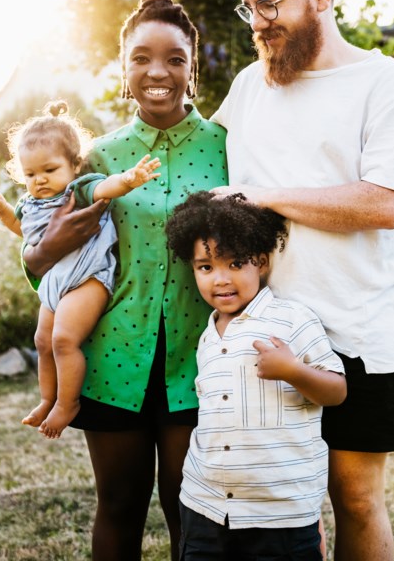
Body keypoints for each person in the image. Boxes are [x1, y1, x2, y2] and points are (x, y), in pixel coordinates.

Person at [211, 0, 394, 560]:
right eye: (248, 6)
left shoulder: (385, 84)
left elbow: (385, 202)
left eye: (270, 4)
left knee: (356, 498)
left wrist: (267, 197)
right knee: (279, 500)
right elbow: (201, 174)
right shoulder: (250, 88)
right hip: (267, 337)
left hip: (360, 332)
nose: (257, 21)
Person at [22, 0, 228, 561]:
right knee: (118, 504)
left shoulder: (228, 146)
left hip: (202, 359)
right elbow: (46, 249)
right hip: (113, 359)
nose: (156, 71)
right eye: (141, 58)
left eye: (174, 59)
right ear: (123, 67)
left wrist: (381, 256)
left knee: (192, 509)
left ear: (191, 70)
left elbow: (277, 224)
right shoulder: (101, 157)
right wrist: (34, 266)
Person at [164, 191, 346, 560]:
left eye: (236, 264)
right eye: (206, 267)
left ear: (261, 263)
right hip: (207, 506)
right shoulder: (207, 336)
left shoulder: (292, 319)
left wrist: (293, 370)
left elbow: (337, 390)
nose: (220, 279)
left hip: (280, 514)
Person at [0, 101, 162, 438]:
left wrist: (128, 179)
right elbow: (25, 231)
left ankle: (68, 403)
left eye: (49, 170)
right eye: (31, 174)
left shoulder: (77, 190)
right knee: (42, 341)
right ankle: (47, 397)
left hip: (88, 279)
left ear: (74, 165)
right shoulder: (31, 202)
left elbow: (104, 189)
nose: (40, 180)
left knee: (64, 340)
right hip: (54, 283)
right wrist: (4, 210)